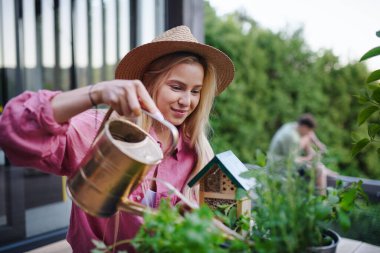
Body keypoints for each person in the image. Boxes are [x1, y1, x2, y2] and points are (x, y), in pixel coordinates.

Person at [0, 26, 235, 252]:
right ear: (148, 82)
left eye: (195, 91)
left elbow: (226, 225)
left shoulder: (200, 154)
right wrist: (96, 92)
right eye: (176, 87)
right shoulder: (104, 132)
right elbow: (15, 131)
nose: (187, 101)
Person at [267, 114, 334, 193]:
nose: (309, 132)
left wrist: (317, 143)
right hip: (280, 166)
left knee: (306, 138)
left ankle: (317, 163)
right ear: (304, 127)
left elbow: (310, 134)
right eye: (309, 130)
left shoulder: (292, 126)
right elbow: (292, 161)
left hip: (283, 158)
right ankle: (322, 200)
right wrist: (309, 158)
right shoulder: (292, 137)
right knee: (320, 171)